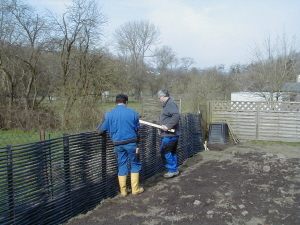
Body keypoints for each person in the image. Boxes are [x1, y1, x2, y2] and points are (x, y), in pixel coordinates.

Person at [97, 94, 144, 196]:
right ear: (126, 102)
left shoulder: (109, 115)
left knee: (122, 165)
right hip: (132, 143)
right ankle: (135, 189)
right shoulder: (133, 113)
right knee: (135, 164)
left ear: (116, 102)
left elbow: (100, 131)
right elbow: (137, 128)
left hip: (118, 145)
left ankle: (123, 191)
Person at [157, 89, 181, 178]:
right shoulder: (168, 104)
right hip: (171, 134)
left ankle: (172, 170)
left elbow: (176, 115)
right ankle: (174, 169)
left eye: (159, 98)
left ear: (163, 96)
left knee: (165, 151)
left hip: (170, 135)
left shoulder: (170, 104)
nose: (159, 99)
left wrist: (168, 126)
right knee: (172, 152)